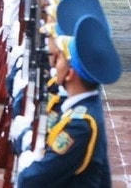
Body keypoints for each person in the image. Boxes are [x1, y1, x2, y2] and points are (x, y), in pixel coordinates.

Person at [15, 14, 120, 187]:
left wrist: (26, 155)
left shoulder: (80, 125)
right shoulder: (80, 110)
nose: (56, 62)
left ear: (71, 73)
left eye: (61, 57)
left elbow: (34, 179)